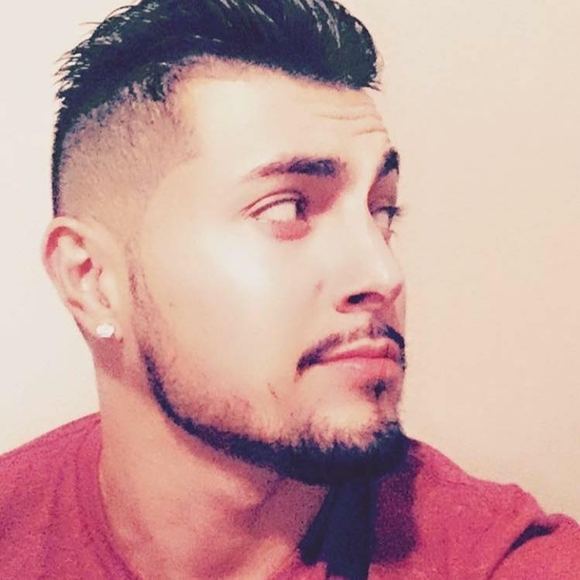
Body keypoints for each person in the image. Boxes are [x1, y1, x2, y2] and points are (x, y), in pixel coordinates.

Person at [0, 0, 578, 578]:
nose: (383, 274)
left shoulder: (498, 558)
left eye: (382, 212)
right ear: (92, 280)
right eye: (287, 209)